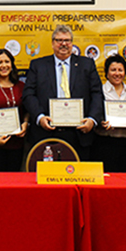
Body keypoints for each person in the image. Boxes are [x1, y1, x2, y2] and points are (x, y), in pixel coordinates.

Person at [22, 24, 103, 160]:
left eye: (67, 40)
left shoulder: (86, 65)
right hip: (46, 131)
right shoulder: (38, 65)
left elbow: (97, 94)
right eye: (59, 40)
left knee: (78, 178)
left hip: (79, 133)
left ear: (72, 43)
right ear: (53, 43)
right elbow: (28, 95)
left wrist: (92, 119)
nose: (63, 44)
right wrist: (40, 117)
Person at [92, 54, 126, 172]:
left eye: (120, 70)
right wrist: (100, 121)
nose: (117, 73)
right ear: (106, 73)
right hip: (106, 143)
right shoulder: (98, 91)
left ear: (125, 72)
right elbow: (93, 111)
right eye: (113, 70)